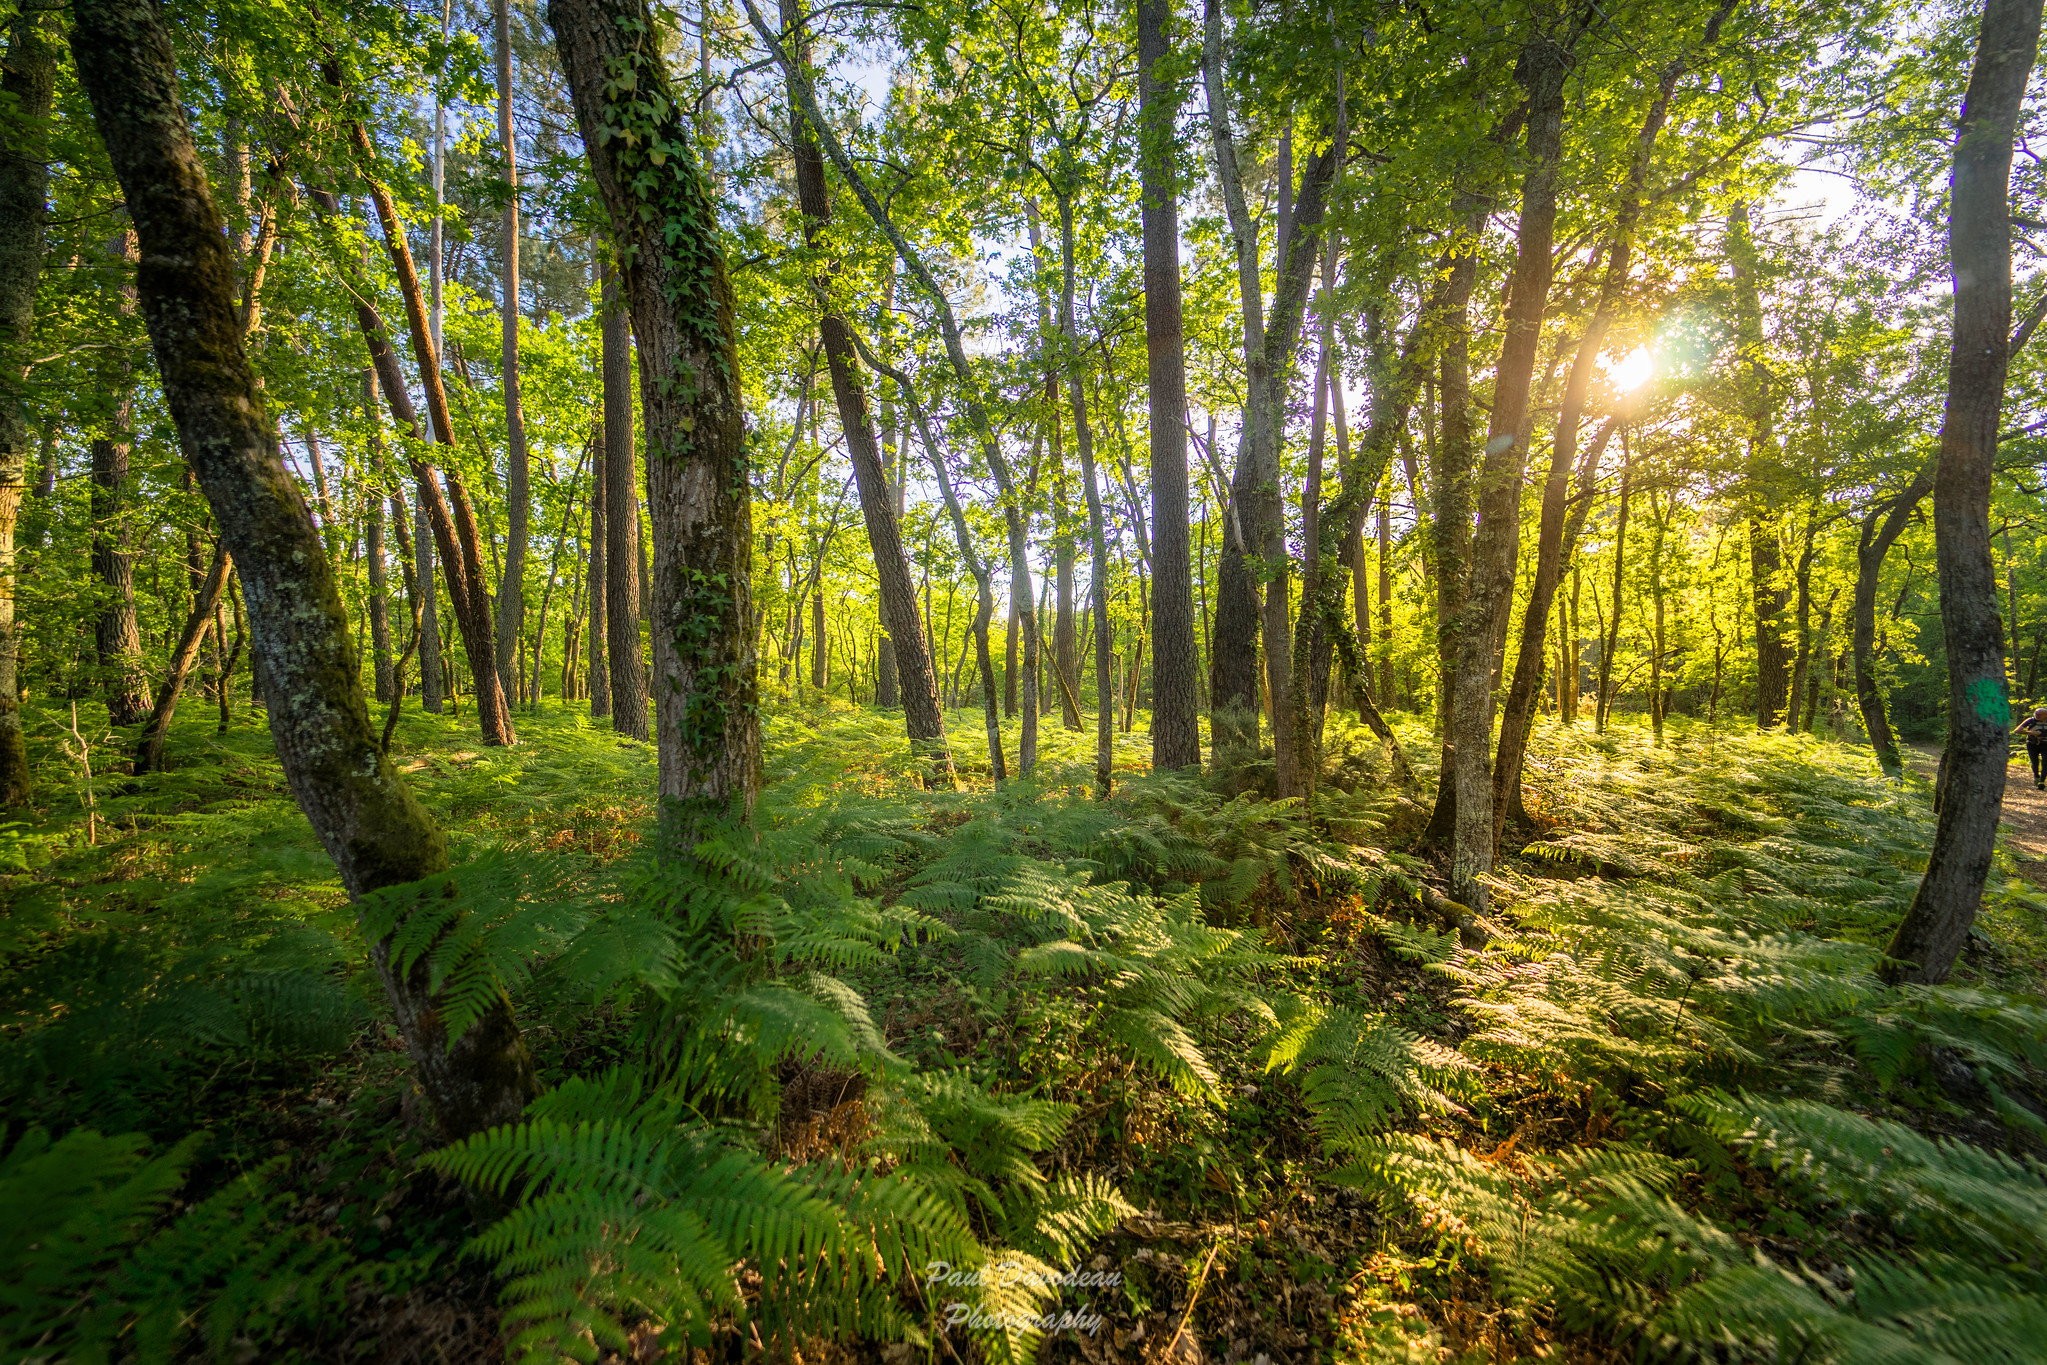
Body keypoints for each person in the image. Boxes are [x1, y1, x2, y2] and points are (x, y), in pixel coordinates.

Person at [2017, 706, 2047, 789]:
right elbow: (2017, 730)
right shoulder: (2031, 721)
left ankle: (2042, 781)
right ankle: (2036, 776)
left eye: (2040, 714)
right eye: (2036, 713)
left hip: (2045, 745)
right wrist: (2032, 732)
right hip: (2032, 744)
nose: (2037, 715)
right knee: (2035, 762)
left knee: (2045, 762)